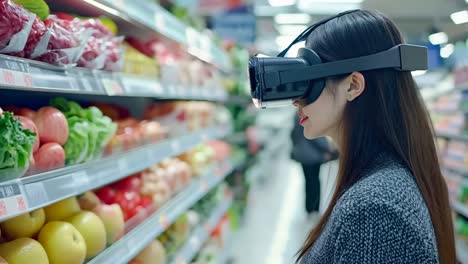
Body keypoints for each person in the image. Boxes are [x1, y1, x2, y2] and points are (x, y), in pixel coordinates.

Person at [288, 10, 455, 264]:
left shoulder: (374, 210)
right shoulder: (380, 188)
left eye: (310, 82)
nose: (296, 100)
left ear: (353, 85)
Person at [290, 115, 338, 218]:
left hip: (302, 155)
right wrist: (328, 149)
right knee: (315, 181)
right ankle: (314, 208)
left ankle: (309, 208)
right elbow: (315, 138)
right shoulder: (306, 117)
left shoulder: (296, 117)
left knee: (308, 181)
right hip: (312, 156)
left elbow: (293, 134)